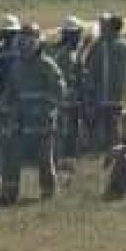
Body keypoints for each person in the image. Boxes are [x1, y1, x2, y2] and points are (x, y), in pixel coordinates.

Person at [0, 22, 65, 206]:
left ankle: (49, 194)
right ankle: (9, 195)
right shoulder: (16, 67)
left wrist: (45, 109)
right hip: (21, 123)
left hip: (42, 123)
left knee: (44, 161)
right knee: (11, 159)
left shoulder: (47, 65)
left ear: (37, 44)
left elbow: (58, 91)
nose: (24, 48)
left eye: (28, 43)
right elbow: (11, 91)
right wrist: (5, 109)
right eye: (22, 43)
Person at [83, 12, 126, 149]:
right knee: (115, 125)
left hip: (103, 95)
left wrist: (90, 89)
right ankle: (114, 149)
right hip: (119, 97)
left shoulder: (103, 46)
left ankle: (101, 150)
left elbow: (90, 67)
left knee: (101, 124)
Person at [0, 15, 22, 167]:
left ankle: (3, 162)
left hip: (2, 97)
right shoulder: (23, 53)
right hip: (19, 99)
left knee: (1, 133)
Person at [51, 15, 85, 160]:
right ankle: (61, 157)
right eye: (76, 34)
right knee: (63, 130)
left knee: (73, 128)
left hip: (73, 98)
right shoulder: (63, 54)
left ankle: (70, 156)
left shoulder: (74, 51)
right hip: (65, 98)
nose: (78, 36)